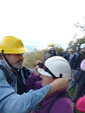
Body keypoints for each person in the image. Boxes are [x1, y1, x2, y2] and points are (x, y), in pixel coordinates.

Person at [0, 36, 69, 113]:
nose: (22, 57)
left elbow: (35, 80)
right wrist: (52, 87)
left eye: (22, 54)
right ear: (4, 55)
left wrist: (41, 71)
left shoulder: (19, 69)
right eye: (17, 54)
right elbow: (12, 106)